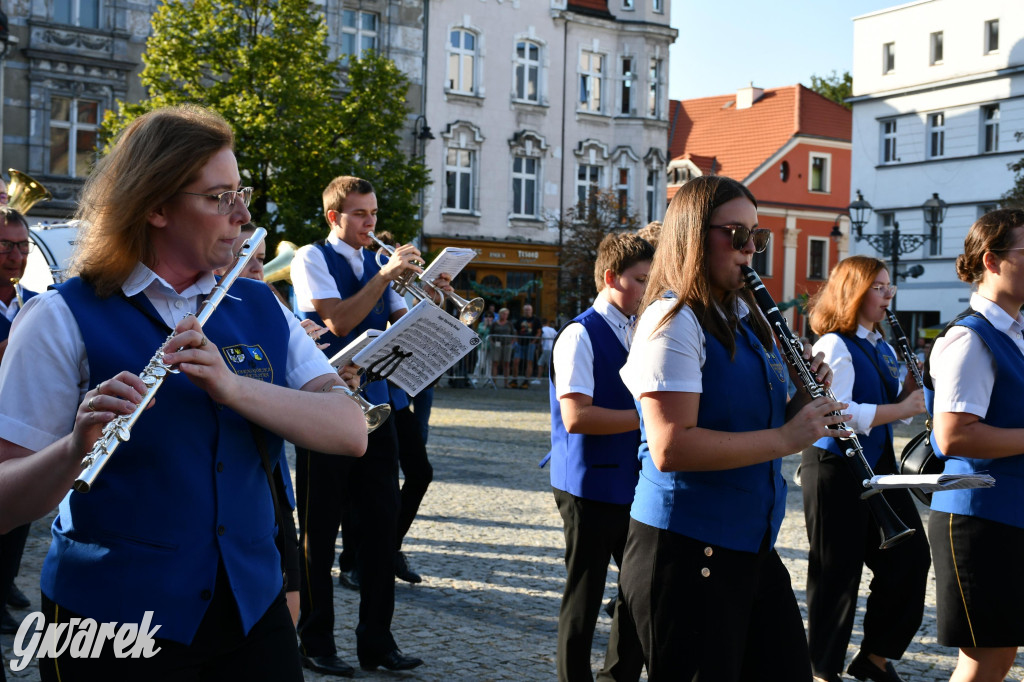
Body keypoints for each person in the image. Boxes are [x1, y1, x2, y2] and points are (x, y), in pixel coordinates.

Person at [0, 104, 367, 680]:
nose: (243, 215)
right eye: (219, 197)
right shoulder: (58, 318)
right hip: (110, 621)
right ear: (155, 206)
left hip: (251, 610)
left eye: (239, 193)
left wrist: (231, 387)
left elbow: (350, 431)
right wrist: (73, 450)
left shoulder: (259, 305)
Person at [617, 175, 848, 681]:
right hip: (685, 547)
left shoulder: (744, 316)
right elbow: (671, 447)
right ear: (694, 236)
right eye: (736, 235)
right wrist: (790, 438)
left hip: (749, 544)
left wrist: (804, 405)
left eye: (757, 238)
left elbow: (754, 427)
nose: (750, 250)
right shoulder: (671, 321)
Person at [290, 175, 435, 675]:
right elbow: (339, 324)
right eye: (360, 214)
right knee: (319, 530)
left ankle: (378, 642)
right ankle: (315, 639)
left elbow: (401, 329)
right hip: (324, 409)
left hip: (376, 405)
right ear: (335, 217)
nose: (371, 224)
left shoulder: (377, 262)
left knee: (379, 530)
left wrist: (431, 298)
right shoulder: (311, 258)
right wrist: (386, 275)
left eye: (373, 214)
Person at [802, 255, 930, 682]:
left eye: (889, 286)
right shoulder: (835, 344)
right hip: (835, 466)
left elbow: (898, 410)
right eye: (878, 287)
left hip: (876, 464)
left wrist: (912, 391)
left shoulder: (884, 346)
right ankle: (823, 669)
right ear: (853, 292)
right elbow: (838, 411)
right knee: (837, 571)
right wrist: (901, 406)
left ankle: (874, 656)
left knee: (911, 557)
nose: (887, 295)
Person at [549, 232, 652, 682]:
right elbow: (576, 416)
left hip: (630, 481)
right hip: (588, 484)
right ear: (611, 278)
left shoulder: (639, 328)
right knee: (585, 594)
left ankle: (618, 675)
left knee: (638, 591)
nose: (649, 291)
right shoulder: (579, 334)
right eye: (641, 280)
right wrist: (649, 417)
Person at [927, 208, 1024, 682]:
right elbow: (953, 435)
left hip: (1005, 513)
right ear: (992, 261)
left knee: (999, 654)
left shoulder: (1014, 332)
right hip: (977, 518)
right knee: (987, 657)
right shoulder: (970, 337)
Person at [0, 207, 35, 644]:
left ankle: (6, 580)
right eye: (6, 246)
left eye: (23, 247)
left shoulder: (32, 299)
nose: (15, 256)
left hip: (22, 424)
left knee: (21, 515)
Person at [510, 303, 541, 387]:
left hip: (530, 344)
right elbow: (516, 330)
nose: (527, 311)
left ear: (532, 310)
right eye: (526, 310)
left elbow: (539, 332)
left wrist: (534, 341)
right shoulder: (520, 319)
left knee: (529, 362)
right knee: (516, 361)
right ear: (523, 311)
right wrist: (516, 340)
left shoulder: (536, 320)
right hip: (520, 343)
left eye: (529, 310)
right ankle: (514, 380)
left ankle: (526, 381)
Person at [491, 307, 515, 385]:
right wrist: (493, 343)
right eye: (503, 314)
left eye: (506, 314)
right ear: (500, 314)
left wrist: (511, 343)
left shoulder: (509, 324)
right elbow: (490, 334)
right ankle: (494, 382)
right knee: (495, 362)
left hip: (507, 344)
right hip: (497, 344)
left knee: (506, 363)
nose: (505, 315)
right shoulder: (494, 323)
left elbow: (513, 334)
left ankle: (506, 382)